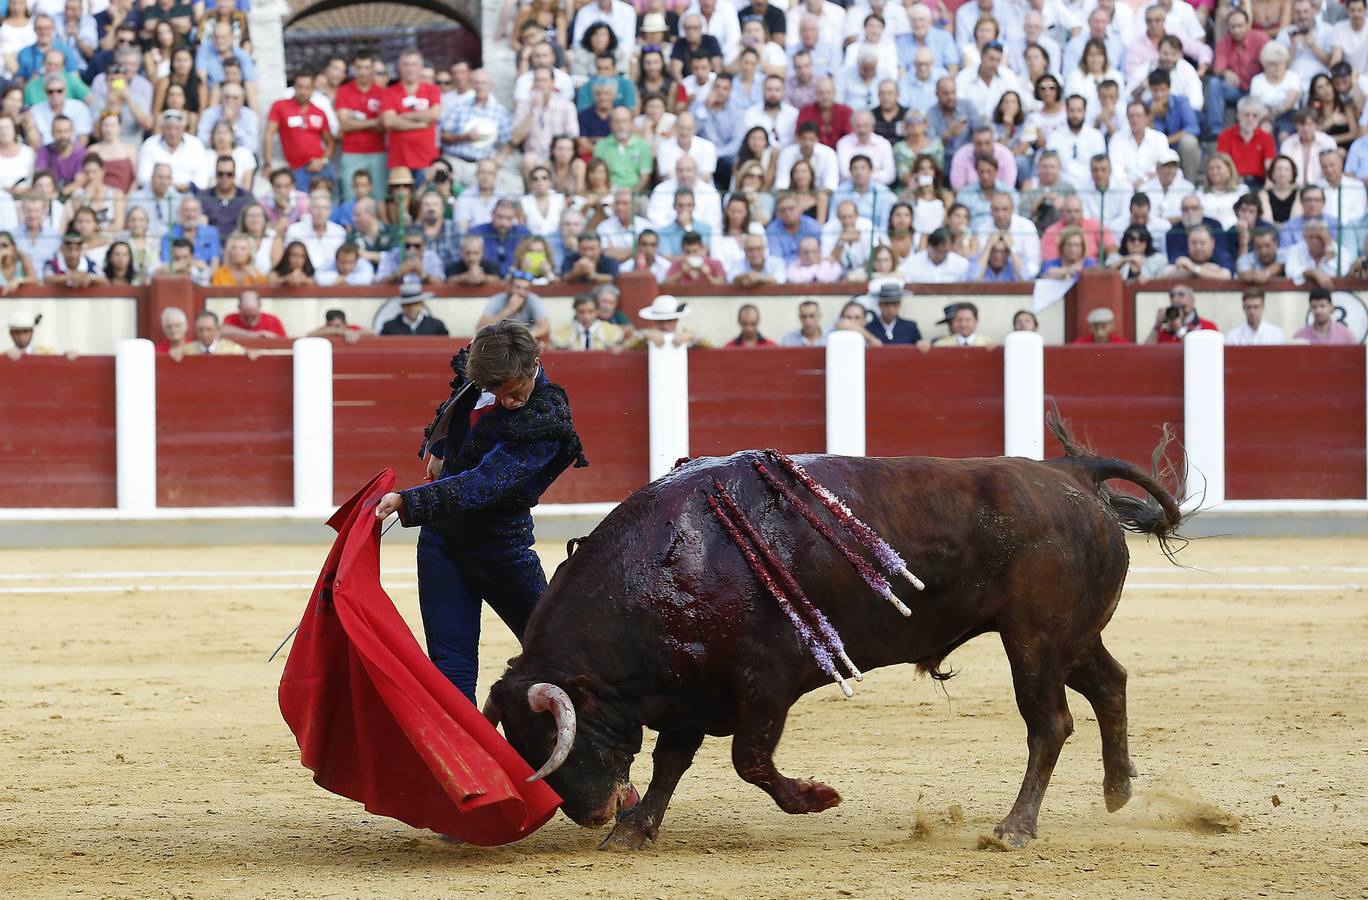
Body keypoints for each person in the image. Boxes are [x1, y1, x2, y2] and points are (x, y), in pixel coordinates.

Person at [372, 320, 587, 700]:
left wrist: (410, 501)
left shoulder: (547, 419)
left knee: (560, 658)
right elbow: (457, 403)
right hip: (442, 542)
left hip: (501, 551)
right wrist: (440, 452)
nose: (509, 401)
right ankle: (462, 760)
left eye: (516, 391)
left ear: (534, 363)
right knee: (450, 670)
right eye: (497, 392)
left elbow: (484, 484)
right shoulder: (482, 374)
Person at [263, 67, 334, 192]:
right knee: (301, 206)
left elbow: (330, 142)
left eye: (307, 87)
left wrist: (323, 161)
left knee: (326, 204)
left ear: (313, 89)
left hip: (320, 168)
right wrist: (268, 163)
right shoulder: (280, 106)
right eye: (300, 87)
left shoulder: (319, 112)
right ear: (294, 87)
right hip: (297, 169)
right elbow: (269, 134)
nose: (303, 91)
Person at [478, 270, 551, 340]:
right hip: (500, 342)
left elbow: (545, 326)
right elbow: (480, 328)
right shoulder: (496, 300)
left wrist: (528, 336)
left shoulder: (533, 299)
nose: (522, 292)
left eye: (526, 289)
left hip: (525, 342)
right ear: (509, 287)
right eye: (517, 287)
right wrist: (508, 310)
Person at [1145, 283, 1220, 344]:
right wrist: (1157, 325)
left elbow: (1200, 353)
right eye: (1172, 295)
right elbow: (1146, 353)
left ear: (1192, 300)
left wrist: (1179, 330)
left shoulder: (1208, 327)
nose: (1175, 299)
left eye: (1181, 294)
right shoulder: (1165, 329)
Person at [552, 293, 624, 350]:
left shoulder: (612, 331)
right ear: (575, 311)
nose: (586, 317)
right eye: (581, 312)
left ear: (597, 311)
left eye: (590, 311)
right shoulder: (562, 332)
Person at [868, 283, 927, 347]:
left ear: (899, 305)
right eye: (886, 304)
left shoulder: (910, 327)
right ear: (880, 305)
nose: (890, 309)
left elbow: (921, 346)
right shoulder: (870, 328)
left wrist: (923, 344)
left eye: (894, 304)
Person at [1292, 287, 1356, 344]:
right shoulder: (1300, 337)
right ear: (1310, 308)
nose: (1318, 311)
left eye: (1322, 306)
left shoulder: (1345, 335)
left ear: (1331, 307)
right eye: (1314, 307)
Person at [380, 284, 450, 336]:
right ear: (402, 306)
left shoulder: (437, 326)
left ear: (421, 304)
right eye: (408, 304)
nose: (412, 308)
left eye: (415, 303)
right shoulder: (389, 327)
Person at [221, 290, 286, 341]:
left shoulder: (272, 320)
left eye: (253, 316)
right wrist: (255, 335)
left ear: (259, 306)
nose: (250, 319)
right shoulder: (230, 318)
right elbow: (223, 331)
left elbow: (283, 342)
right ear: (239, 307)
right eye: (246, 317)